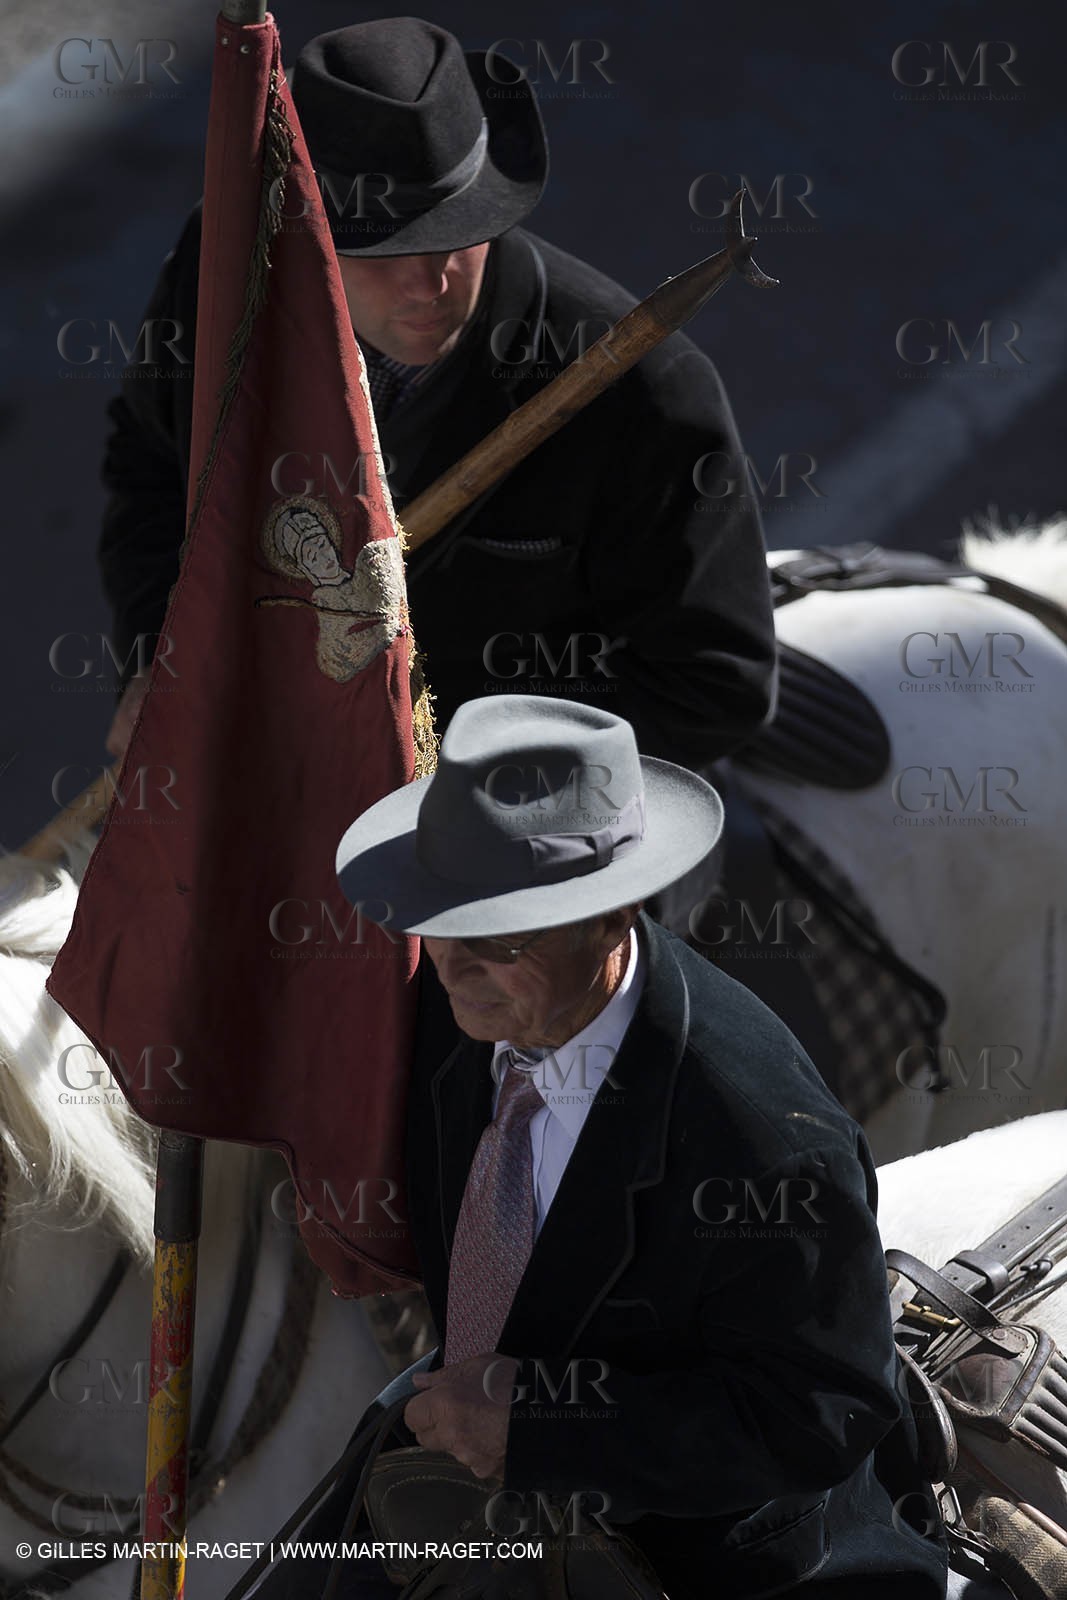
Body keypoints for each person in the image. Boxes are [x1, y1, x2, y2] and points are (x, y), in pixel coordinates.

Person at [321, 692, 952, 1599]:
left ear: (612, 915)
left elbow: (821, 1411)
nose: (454, 963)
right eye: (439, 917)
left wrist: (539, 1429)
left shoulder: (761, 1138)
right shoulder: (449, 1002)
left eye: (502, 934)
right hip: (492, 1516)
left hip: (714, 1566)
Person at [98, 16, 776, 777]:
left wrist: (427, 768)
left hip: (479, 810)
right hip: (249, 753)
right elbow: (153, 468)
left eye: (455, 232)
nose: (427, 286)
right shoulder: (222, 279)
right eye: (378, 251)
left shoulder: (643, 395)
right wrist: (158, 656)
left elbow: (711, 690)